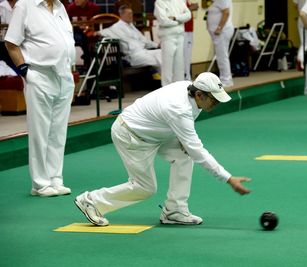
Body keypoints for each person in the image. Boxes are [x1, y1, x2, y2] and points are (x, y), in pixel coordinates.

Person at [74, 72, 251, 226]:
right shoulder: (179, 108)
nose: (217, 103)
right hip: (131, 135)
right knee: (145, 188)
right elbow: (198, 150)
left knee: (185, 154)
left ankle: (174, 211)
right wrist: (228, 178)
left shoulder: (189, 90)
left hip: (155, 133)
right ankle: (92, 201)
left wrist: (183, 140)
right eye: (214, 99)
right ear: (199, 95)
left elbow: (185, 137)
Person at [5, 0, 76, 196]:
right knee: (40, 132)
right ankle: (40, 184)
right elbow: (11, 43)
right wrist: (25, 72)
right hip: (39, 75)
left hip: (64, 76)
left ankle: (55, 178)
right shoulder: (25, 5)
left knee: (58, 132)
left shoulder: (61, 7)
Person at [98, 5, 161, 78]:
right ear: (121, 15)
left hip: (144, 51)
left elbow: (143, 39)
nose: (131, 16)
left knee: (162, 53)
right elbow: (104, 32)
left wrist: (156, 45)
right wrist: (96, 33)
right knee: (154, 60)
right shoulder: (116, 27)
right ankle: (162, 81)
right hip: (133, 56)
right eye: (128, 14)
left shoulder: (131, 26)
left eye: (131, 13)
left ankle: (168, 80)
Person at [154, 0, 191, 86]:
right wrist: (180, 21)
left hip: (180, 35)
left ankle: (179, 88)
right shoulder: (159, 2)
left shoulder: (179, 1)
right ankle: (166, 90)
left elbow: (188, 15)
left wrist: (175, 18)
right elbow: (163, 21)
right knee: (167, 66)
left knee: (179, 65)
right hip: (167, 37)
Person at [207, 0, 234, 88]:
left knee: (222, 55)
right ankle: (224, 78)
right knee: (220, 55)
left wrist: (219, 28)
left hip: (222, 31)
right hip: (218, 32)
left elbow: (226, 13)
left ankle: (226, 79)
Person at [183, 0, 199, 81]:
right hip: (184, 30)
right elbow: (180, 12)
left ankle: (187, 76)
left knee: (188, 55)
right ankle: (185, 76)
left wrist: (191, 6)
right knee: (184, 55)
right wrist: (191, 8)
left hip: (189, 29)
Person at [293, 0, 307, 71]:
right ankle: (301, 59)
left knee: (303, 42)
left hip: (300, 18)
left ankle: (301, 59)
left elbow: (295, 6)